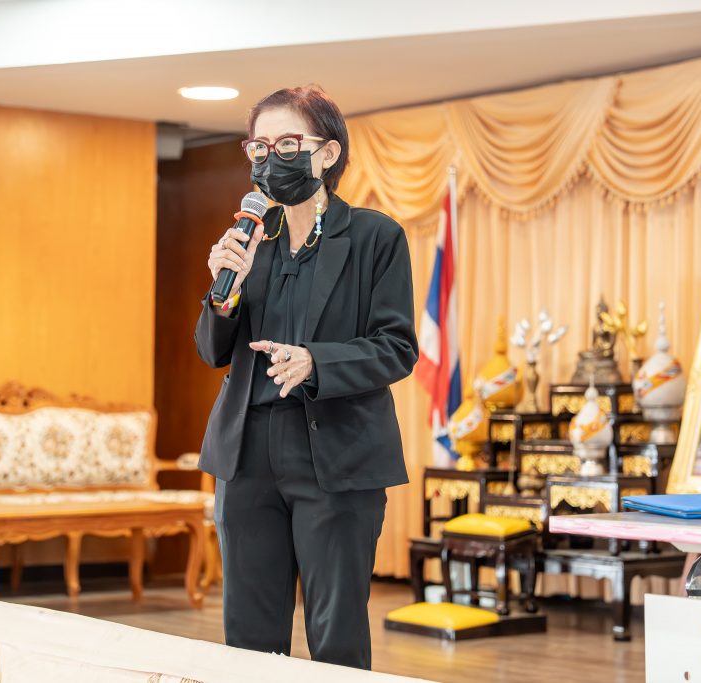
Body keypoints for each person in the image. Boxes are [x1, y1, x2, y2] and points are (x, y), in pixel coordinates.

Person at [194, 85, 418, 670]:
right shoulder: (251, 238)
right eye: (260, 147)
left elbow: (397, 348)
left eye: (288, 144)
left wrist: (317, 362)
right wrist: (223, 292)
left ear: (328, 153)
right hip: (247, 454)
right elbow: (212, 352)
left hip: (335, 452)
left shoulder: (374, 237)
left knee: (335, 633)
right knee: (248, 633)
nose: (272, 158)